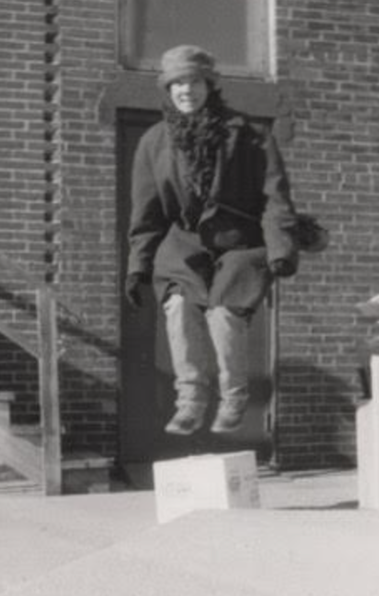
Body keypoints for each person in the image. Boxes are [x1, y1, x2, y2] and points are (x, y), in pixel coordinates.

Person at [125, 44, 300, 436]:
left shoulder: (251, 135)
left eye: (193, 82)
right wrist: (138, 266)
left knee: (222, 313)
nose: (186, 91)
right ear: (168, 91)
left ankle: (234, 398)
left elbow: (275, 197)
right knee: (177, 307)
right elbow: (146, 215)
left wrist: (281, 248)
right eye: (177, 84)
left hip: (241, 241)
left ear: (209, 85)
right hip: (185, 243)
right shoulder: (154, 142)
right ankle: (190, 400)